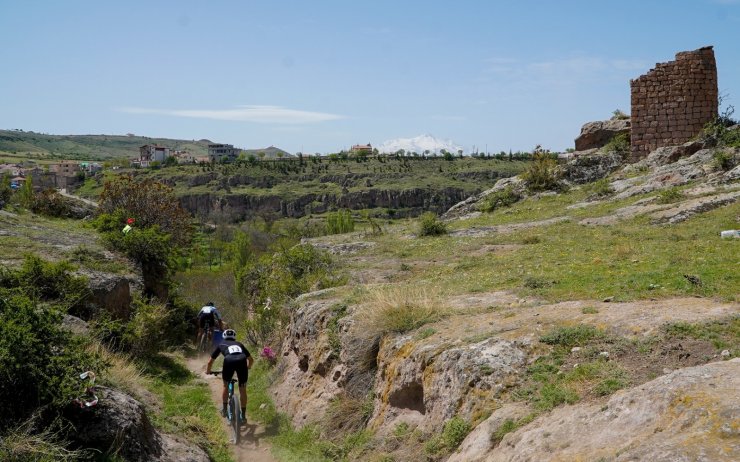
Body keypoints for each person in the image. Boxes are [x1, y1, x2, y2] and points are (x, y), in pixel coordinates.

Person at [206, 328, 253, 420]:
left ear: (224, 336)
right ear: (234, 337)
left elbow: (210, 362)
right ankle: (243, 415)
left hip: (229, 361)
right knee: (242, 389)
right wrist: (248, 367)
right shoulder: (240, 344)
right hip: (242, 361)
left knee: (225, 385)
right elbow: (251, 360)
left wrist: (208, 372)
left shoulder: (221, 344)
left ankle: (224, 410)